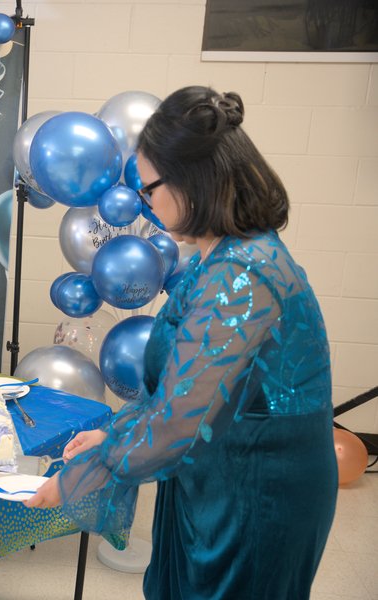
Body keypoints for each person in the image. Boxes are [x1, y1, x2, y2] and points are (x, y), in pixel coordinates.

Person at [26, 86, 337, 599]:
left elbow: (179, 421)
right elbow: (180, 385)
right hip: (217, 473)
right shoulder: (217, 258)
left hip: (256, 494)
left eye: (149, 187)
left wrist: (76, 479)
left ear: (193, 182)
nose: (146, 201)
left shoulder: (243, 275)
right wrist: (115, 432)